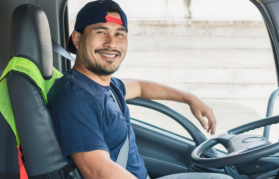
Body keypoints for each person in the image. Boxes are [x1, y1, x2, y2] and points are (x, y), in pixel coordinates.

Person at [47, 1, 220, 179]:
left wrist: (189, 98)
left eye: (119, 34)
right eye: (100, 32)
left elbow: (140, 87)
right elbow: (97, 171)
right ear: (77, 39)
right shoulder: (75, 98)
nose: (112, 43)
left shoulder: (107, 85)